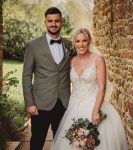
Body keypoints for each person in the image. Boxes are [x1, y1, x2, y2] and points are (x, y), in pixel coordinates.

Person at [51, 28, 128, 150]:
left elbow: (102, 87)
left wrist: (96, 111)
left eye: (84, 41)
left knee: (95, 142)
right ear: (74, 43)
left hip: (93, 104)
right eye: (77, 41)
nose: (81, 44)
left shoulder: (98, 59)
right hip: (74, 105)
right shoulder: (71, 61)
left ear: (89, 41)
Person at [22, 7, 76, 150]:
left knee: (63, 142)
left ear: (61, 22)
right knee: (37, 141)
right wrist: (29, 103)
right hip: (40, 104)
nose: (54, 24)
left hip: (64, 102)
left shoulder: (69, 46)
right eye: (50, 21)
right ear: (45, 23)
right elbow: (27, 75)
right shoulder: (33, 46)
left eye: (57, 21)